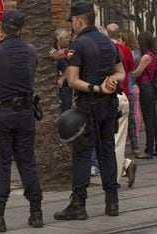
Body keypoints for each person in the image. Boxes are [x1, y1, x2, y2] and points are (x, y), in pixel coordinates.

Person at [54, 1, 125, 221]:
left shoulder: (79, 45)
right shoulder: (109, 43)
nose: (72, 26)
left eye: (72, 22)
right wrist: (111, 82)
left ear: (79, 21)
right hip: (109, 105)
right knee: (107, 151)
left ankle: (78, 204)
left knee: (82, 154)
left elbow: (73, 80)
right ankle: (112, 202)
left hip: (88, 105)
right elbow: (121, 73)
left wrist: (96, 87)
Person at [0, 10, 43, 232]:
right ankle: (36, 212)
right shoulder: (31, 51)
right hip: (26, 113)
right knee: (27, 162)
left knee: (0, 165)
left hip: (2, 114)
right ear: (22, 29)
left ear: (2, 28)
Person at [106, 23, 137, 188]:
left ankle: (117, 174)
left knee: (107, 138)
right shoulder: (125, 50)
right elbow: (131, 69)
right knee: (116, 138)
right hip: (122, 92)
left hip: (105, 94)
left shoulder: (101, 47)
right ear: (119, 35)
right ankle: (124, 165)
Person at [132, 31, 157, 159]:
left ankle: (148, 150)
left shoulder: (146, 56)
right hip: (150, 87)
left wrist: (128, 73)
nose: (137, 43)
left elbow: (137, 73)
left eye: (138, 41)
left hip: (146, 87)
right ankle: (154, 147)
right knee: (153, 118)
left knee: (149, 119)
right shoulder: (153, 54)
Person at [121, 29, 141, 156]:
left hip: (128, 86)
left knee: (130, 115)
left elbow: (132, 70)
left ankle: (129, 140)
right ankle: (134, 142)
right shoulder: (136, 52)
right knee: (133, 114)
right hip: (133, 86)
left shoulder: (127, 51)